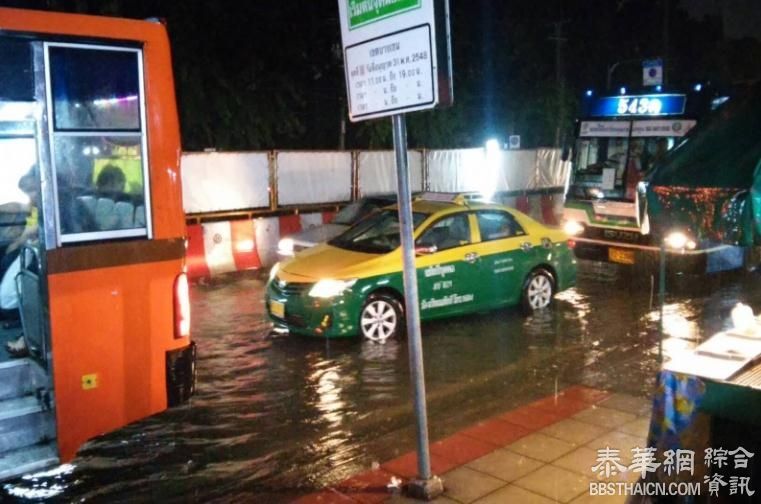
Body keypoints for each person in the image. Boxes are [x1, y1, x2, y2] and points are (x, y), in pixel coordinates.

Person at [2, 168, 39, 358]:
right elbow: (17, 207)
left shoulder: (50, 206)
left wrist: (17, 243)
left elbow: (31, 233)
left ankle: (26, 334)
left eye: (31, 191)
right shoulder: (34, 204)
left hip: (37, 251)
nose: (29, 197)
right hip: (32, 248)